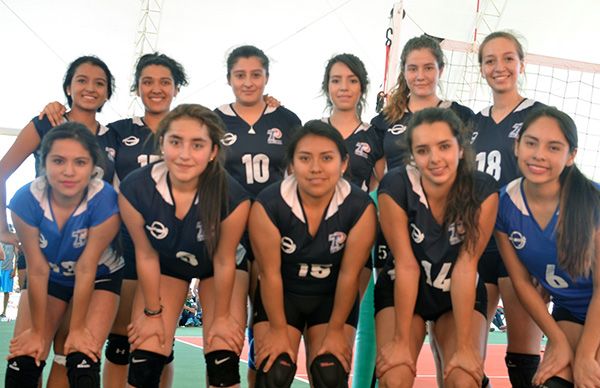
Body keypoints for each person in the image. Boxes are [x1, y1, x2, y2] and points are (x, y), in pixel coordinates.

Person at [41, 52, 189, 387]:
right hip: (127, 244)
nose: (156, 89)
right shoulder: (118, 132)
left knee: (159, 345)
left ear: (176, 88)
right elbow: (82, 133)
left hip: (171, 249)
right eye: (147, 82)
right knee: (121, 343)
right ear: (136, 88)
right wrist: (55, 108)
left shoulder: (190, 128)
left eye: (165, 82)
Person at [0, 55, 116, 387]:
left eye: (99, 83)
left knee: (71, 358)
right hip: (44, 257)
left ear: (108, 93)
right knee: (26, 360)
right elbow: (2, 171)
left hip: (91, 261)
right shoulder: (44, 123)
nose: (89, 88)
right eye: (81, 80)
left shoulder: (115, 137)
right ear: (68, 87)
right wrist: (3, 230)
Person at [119, 104, 250, 388]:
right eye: (175, 141)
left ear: (213, 151)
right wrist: (152, 314)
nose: (185, 154)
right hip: (165, 264)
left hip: (216, 267)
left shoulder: (234, 197)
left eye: (197, 144)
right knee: (146, 353)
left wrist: (224, 317)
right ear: (162, 143)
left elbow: (225, 260)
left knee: (222, 350)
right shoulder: (135, 189)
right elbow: (146, 254)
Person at [374, 108, 498, 388]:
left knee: (464, 379)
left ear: (460, 149)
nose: (435, 159)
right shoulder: (395, 185)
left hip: (455, 291)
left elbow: (467, 266)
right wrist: (400, 342)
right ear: (412, 156)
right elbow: (406, 265)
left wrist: (465, 346)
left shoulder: (482, 190)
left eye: (444, 146)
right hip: (404, 287)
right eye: (423, 150)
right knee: (395, 376)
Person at [249, 120, 376, 388]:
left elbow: (349, 276)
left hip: (331, 298)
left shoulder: (360, 207)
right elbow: (269, 274)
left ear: (343, 163)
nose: (316, 168)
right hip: (283, 295)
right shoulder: (269, 204)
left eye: (327, 158)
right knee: (275, 370)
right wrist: (278, 330)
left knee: (330, 372)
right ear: (292, 165)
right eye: (305, 158)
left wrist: (335, 331)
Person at [215, 44, 302, 385]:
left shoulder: (287, 119)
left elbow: (298, 174)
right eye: (240, 75)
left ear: (267, 77)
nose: (248, 82)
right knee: (226, 332)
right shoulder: (215, 119)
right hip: (230, 234)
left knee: (264, 335)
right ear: (228, 79)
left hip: (274, 232)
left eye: (256, 75)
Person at [495, 106, 600, 388]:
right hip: (570, 314)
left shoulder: (593, 202)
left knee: (587, 375)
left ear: (571, 156)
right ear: (517, 146)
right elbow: (522, 283)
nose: (539, 155)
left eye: (554, 147)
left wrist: (587, 355)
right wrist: (557, 340)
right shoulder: (504, 205)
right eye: (531, 143)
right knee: (554, 380)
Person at [472, 30, 546, 386]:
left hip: (521, 243)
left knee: (523, 356)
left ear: (521, 63)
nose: (498, 67)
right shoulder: (472, 123)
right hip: (478, 243)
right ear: (482, 68)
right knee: (467, 357)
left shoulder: (540, 117)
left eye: (507, 58)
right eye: (490, 60)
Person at [0, 238, 17, 319]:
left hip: (9, 269)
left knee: (6, 292)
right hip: (0, 268)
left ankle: (4, 312)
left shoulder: (12, 241)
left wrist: (14, 270)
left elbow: (17, 256)